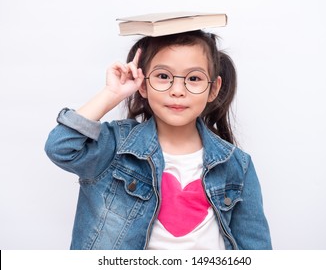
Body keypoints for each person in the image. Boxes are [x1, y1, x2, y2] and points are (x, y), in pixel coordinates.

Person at [45, 30, 272, 250]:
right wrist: (111, 94)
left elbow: (255, 248)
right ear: (143, 84)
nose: (177, 90)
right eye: (163, 76)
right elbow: (61, 147)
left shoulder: (237, 165)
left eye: (194, 78)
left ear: (213, 89)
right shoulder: (115, 147)